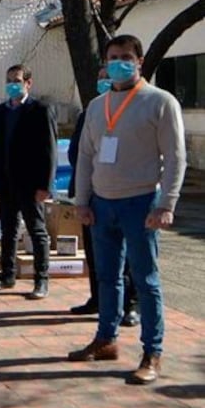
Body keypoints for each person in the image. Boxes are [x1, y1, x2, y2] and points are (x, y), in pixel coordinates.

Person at [69, 34, 186, 385]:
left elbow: (177, 156)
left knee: (145, 279)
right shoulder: (96, 105)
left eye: (125, 56)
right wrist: (82, 200)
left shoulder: (160, 102)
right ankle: (106, 339)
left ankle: (152, 351)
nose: (118, 62)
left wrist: (166, 203)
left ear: (139, 60)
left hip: (141, 203)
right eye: (112, 57)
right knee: (107, 277)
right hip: (102, 204)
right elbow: (86, 156)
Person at [67, 69, 138, 326]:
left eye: (108, 75)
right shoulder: (91, 112)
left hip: (125, 194)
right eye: (101, 75)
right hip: (94, 194)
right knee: (96, 253)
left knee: (127, 255)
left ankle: (129, 304)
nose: (104, 80)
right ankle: (98, 298)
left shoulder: (134, 110)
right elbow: (77, 152)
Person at [0, 64, 57, 300]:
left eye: (17, 80)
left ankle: (41, 280)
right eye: (9, 81)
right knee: (8, 230)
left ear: (28, 83)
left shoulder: (40, 110)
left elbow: (49, 150)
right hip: (4, 181)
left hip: (30, 183)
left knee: (37, 231)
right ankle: (7, 275)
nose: (12, 85)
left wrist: (46, 185)